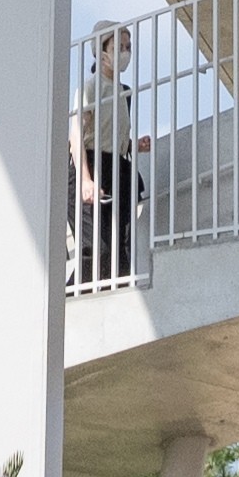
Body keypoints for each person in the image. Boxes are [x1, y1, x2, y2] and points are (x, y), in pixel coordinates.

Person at [64, 22, 144, 285]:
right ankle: (65, 305)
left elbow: (110, 135)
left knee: (120, 253)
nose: (124, 52)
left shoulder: (124, 93)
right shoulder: (91, 88)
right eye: (118, 47)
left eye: (127, 47)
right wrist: (86, 180)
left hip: (116, 168)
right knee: (96, 249)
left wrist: (133, 145)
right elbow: (77, 134)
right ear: (102, 51)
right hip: (88, 165)